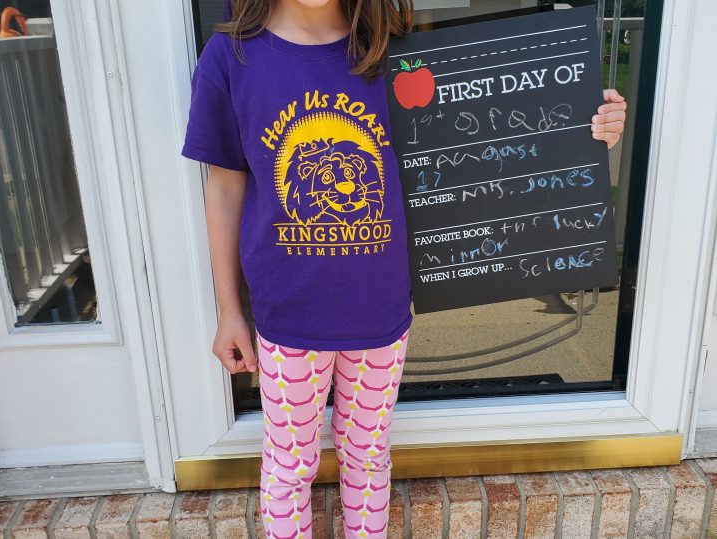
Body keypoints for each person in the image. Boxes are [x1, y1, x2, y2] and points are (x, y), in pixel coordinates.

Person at [180, 1, 627, 537]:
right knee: (288, 464)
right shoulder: (231, 57)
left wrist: (579, 125)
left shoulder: (394, 50)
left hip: (381, 310)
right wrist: (230, 309)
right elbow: (225, 186)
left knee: (368, 456)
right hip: (288, 315)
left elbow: (486, 134)